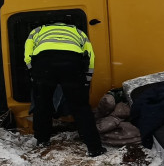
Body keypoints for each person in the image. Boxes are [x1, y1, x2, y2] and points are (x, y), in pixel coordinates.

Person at [24, 22, 106, 157]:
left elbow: (28, 52)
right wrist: (87, 80)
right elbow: (91, 56)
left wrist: (33, 72)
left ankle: (42, 140)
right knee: (80, 107)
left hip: (44, 61)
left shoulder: (37, 30)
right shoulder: (79, 32)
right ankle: (94, 147)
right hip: (72, 62)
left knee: (42, 103)